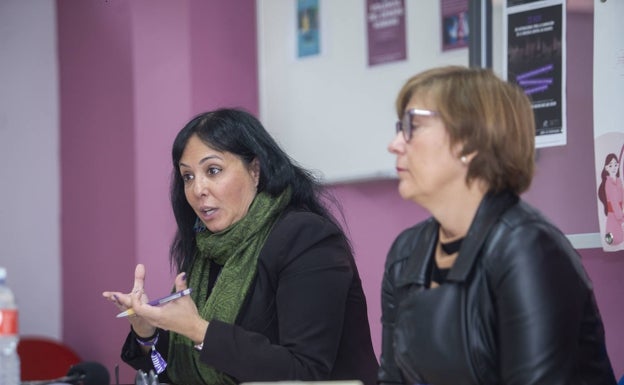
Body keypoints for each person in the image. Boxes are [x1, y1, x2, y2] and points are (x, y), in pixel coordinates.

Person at [103, 108, 378, 385]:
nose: (198, 189)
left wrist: (200, 331)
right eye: (188, 177)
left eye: (213, 170)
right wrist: (146, 333)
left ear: (255, 170)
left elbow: (304, 371)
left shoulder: (306, 238)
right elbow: (163, 369)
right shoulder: (206, 249)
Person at [378, 66, 617, 385]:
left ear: (469, 143)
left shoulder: (529, 248)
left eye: (413, 126)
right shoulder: (405, 253)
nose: (394, 144)